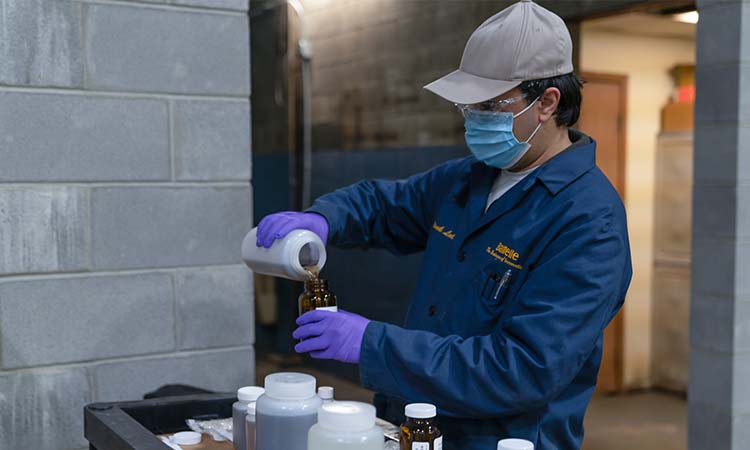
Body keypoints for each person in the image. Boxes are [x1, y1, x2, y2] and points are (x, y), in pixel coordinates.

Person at [255, 1, 632, 448]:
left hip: (499, 440)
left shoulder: (589, 220)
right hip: (414, 424)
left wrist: (372, 343)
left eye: (490, 106)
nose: (474, 120)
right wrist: (323, 218)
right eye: (468, 106)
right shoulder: (469, 179)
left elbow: (523, 368)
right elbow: (385, 205)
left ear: (547, 102)